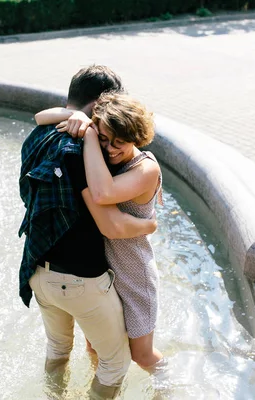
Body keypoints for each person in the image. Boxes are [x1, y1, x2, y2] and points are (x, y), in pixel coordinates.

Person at [19, 65, 157, 399]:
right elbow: (107, 214)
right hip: (81, 282)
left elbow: (41, 116)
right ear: (98, 107)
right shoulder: (84, 151)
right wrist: (149, 225)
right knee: (115, 364)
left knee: (58, 350)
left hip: (37, 270)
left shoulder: (39, 135)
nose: (110, 144)